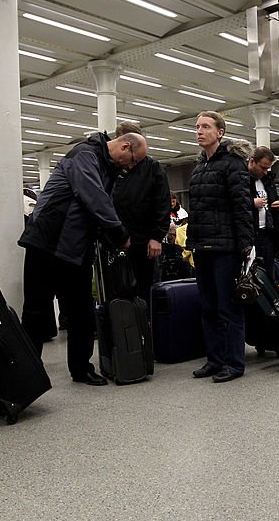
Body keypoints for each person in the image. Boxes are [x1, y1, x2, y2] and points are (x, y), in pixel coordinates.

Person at [18, 131, 144, 386]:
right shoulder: (84, 155)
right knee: (36, 312)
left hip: (75, 248)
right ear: (125, 146)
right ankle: (25, 373)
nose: (130, 167)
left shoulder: (106, 167)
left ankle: (81, 369)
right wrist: (119, 233)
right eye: (132, 160)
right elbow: (94, 198)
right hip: (47, 243)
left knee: (81, 313)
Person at [186, 111, 253, 384]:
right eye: (197, 127)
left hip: (226, 247)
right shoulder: (199, 166)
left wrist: (246, 244)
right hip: (202, 245)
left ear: (220, 132)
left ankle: (234, 363)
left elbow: (241, 205)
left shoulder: (233, 163)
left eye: (205, 127)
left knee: (228, 307)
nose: (199, 131)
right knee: (208, 307)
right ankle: (214, 360)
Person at [110, 121, 172, 304]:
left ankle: (147, 327)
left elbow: (162, 203)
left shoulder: (153, 168)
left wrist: (156, 236)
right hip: (116, 240)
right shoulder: (112, 167)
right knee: (117, 290)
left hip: (144, 243)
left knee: (146, 290)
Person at [248, 146, 279, 281]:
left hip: (268, 233)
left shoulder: (268, 181)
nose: (265, 171)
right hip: (250, 234)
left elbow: (272, 200)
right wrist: (252, 203)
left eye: (267, 168)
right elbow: (234, 202)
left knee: (268, 274)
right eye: (262, 167)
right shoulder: (242, 180)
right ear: (252, 161)